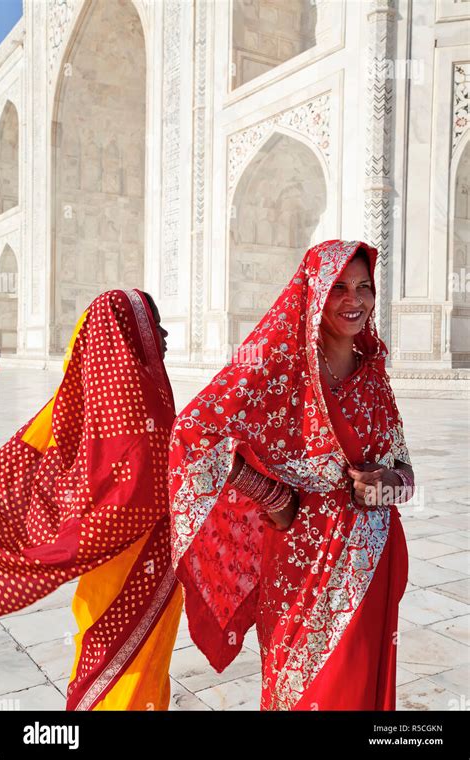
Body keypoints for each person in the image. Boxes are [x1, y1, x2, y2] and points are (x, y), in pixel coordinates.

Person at [169, 239, 415, 711]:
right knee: (300, 693)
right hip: (301, 562)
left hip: (370, 566)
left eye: (364, 287)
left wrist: (388, 483)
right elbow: (194, 433)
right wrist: (269, 493)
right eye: (338, 287)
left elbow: (406, 473)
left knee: (357, 691)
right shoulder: (279, 367)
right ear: (314, 292)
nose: (354, 300)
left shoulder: (373, 372)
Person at [0, 288, 183, 710]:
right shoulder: (127, 413)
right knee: (123, 673)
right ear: (126, 333)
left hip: (135, 573)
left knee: (133, 670)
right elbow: (135, 491)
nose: (164, 333)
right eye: (153, 323)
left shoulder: (105, 399)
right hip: (131, 575)